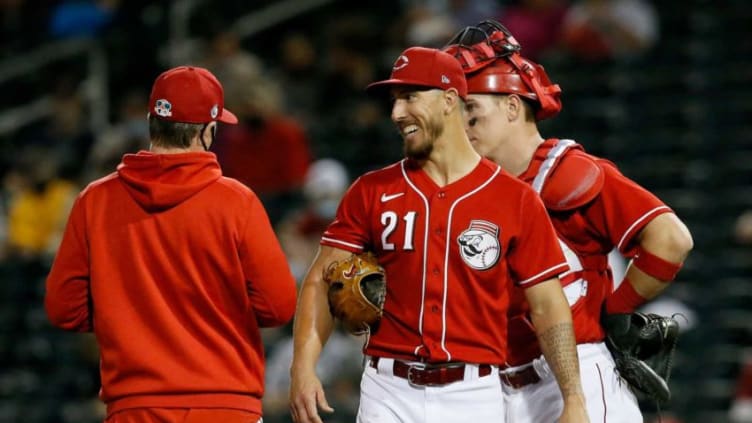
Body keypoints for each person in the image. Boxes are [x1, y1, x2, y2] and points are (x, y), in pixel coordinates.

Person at [289, 46, 589, 423]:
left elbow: (548, 305)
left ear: (450, 100)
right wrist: (302, 367)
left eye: (410, 97)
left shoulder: (515, 199)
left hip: (473, 393)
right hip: (388, 389)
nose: (397, 113)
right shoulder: (372, 190)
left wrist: (573, 398)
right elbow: (320, 277)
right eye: (394, 101)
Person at [443, 20, 693, 422]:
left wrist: (615, 314)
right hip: (496, 389)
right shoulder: (472, 190)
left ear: (511, 105)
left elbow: (670, 239)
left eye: (472, 109)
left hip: (575, 379)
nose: (464, 127)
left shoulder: (564, 172)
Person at [45, 65, 297, 423]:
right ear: (209, 131)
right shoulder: (236, 201)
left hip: (136, 409)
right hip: (225, 406)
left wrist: (126, 317)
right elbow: (278, 306)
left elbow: (63, 308)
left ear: (151, 120)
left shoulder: (95, 200)